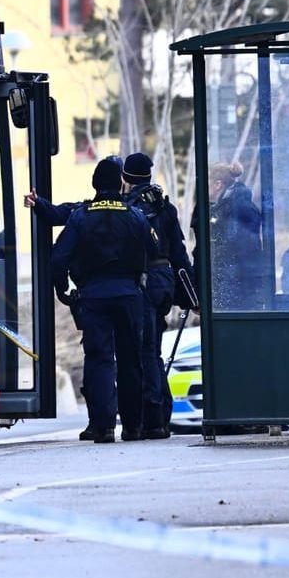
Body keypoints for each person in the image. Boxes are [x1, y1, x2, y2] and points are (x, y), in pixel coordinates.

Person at [51, 157, 156, 443]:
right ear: (120, 184)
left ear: (95, 184)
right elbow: (153, 249)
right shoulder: (134, 215)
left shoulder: (80, 216)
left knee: (99, 359)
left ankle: (103, 427)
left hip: (93, 296)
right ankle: (133, 427)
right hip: (129, 296)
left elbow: (59, 257)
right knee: (131, 360)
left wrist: (63, 289)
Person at [121, 152, 193, 438]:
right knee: (154, 350)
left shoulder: (127, 208)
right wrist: (192, 296)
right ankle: (161, 415)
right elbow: (179, 255)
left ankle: (151, 417)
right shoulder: (164, 206)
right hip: (164, 282)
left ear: (125, 178)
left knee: (144, 352)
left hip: (141, 281)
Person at [203, 162, 266, 310]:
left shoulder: (237, 208)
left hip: (238, 286)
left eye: (207, 183)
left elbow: (237, 247)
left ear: (218, 185)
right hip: (233, 283)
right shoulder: (226, 206)